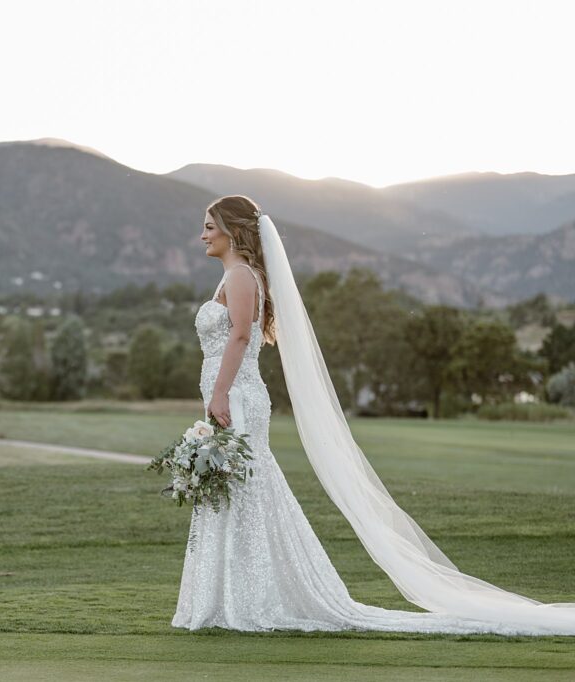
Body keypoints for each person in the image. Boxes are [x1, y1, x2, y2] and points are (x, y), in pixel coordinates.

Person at [172, 195, 575, 635]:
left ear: (232, 229)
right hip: (232, 396)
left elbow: (242, 337)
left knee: (245, 488)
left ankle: (248, 600)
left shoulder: (241, 276)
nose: (203, 234)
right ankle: (230, 597)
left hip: (240, 397)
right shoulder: (234, 276)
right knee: (237, 489)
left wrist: (221, 393)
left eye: (210, 225)